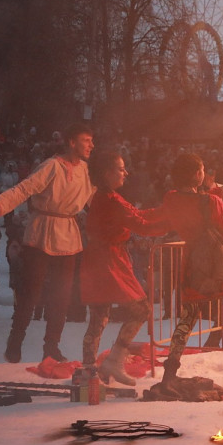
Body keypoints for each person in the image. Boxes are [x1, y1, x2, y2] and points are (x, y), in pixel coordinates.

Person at [0, 124, 95, 363]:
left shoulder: (85, 170)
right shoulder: (52, 166)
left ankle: (51, 347)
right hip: (42, 232)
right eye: (86, 140)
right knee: (30, 292)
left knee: (62, 295)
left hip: (69, 234)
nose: (91, 145)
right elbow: (25, 188)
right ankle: (15, 342)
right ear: (72, 142)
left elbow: (94, 199)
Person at [154, 153, 223, 391]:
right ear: (196, 175)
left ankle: (170, 371)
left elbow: (196, 203)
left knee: (187, 319)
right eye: (201, 170)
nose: (204, 173)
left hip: (195, 267)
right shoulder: (212, 202)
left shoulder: (172, 199)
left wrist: (219, 193)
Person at [80, 150, 167, 386]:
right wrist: (171, 220)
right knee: (141, 309)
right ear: (107, 173)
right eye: (120, 168)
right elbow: (141, 224)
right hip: (109, 261)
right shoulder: (111, 201)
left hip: (99, 259)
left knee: (98, 317)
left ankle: (89, 371)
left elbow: (137, 215)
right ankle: (114, 360)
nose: (125, 172)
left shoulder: (103, 197)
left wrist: (165, 211)